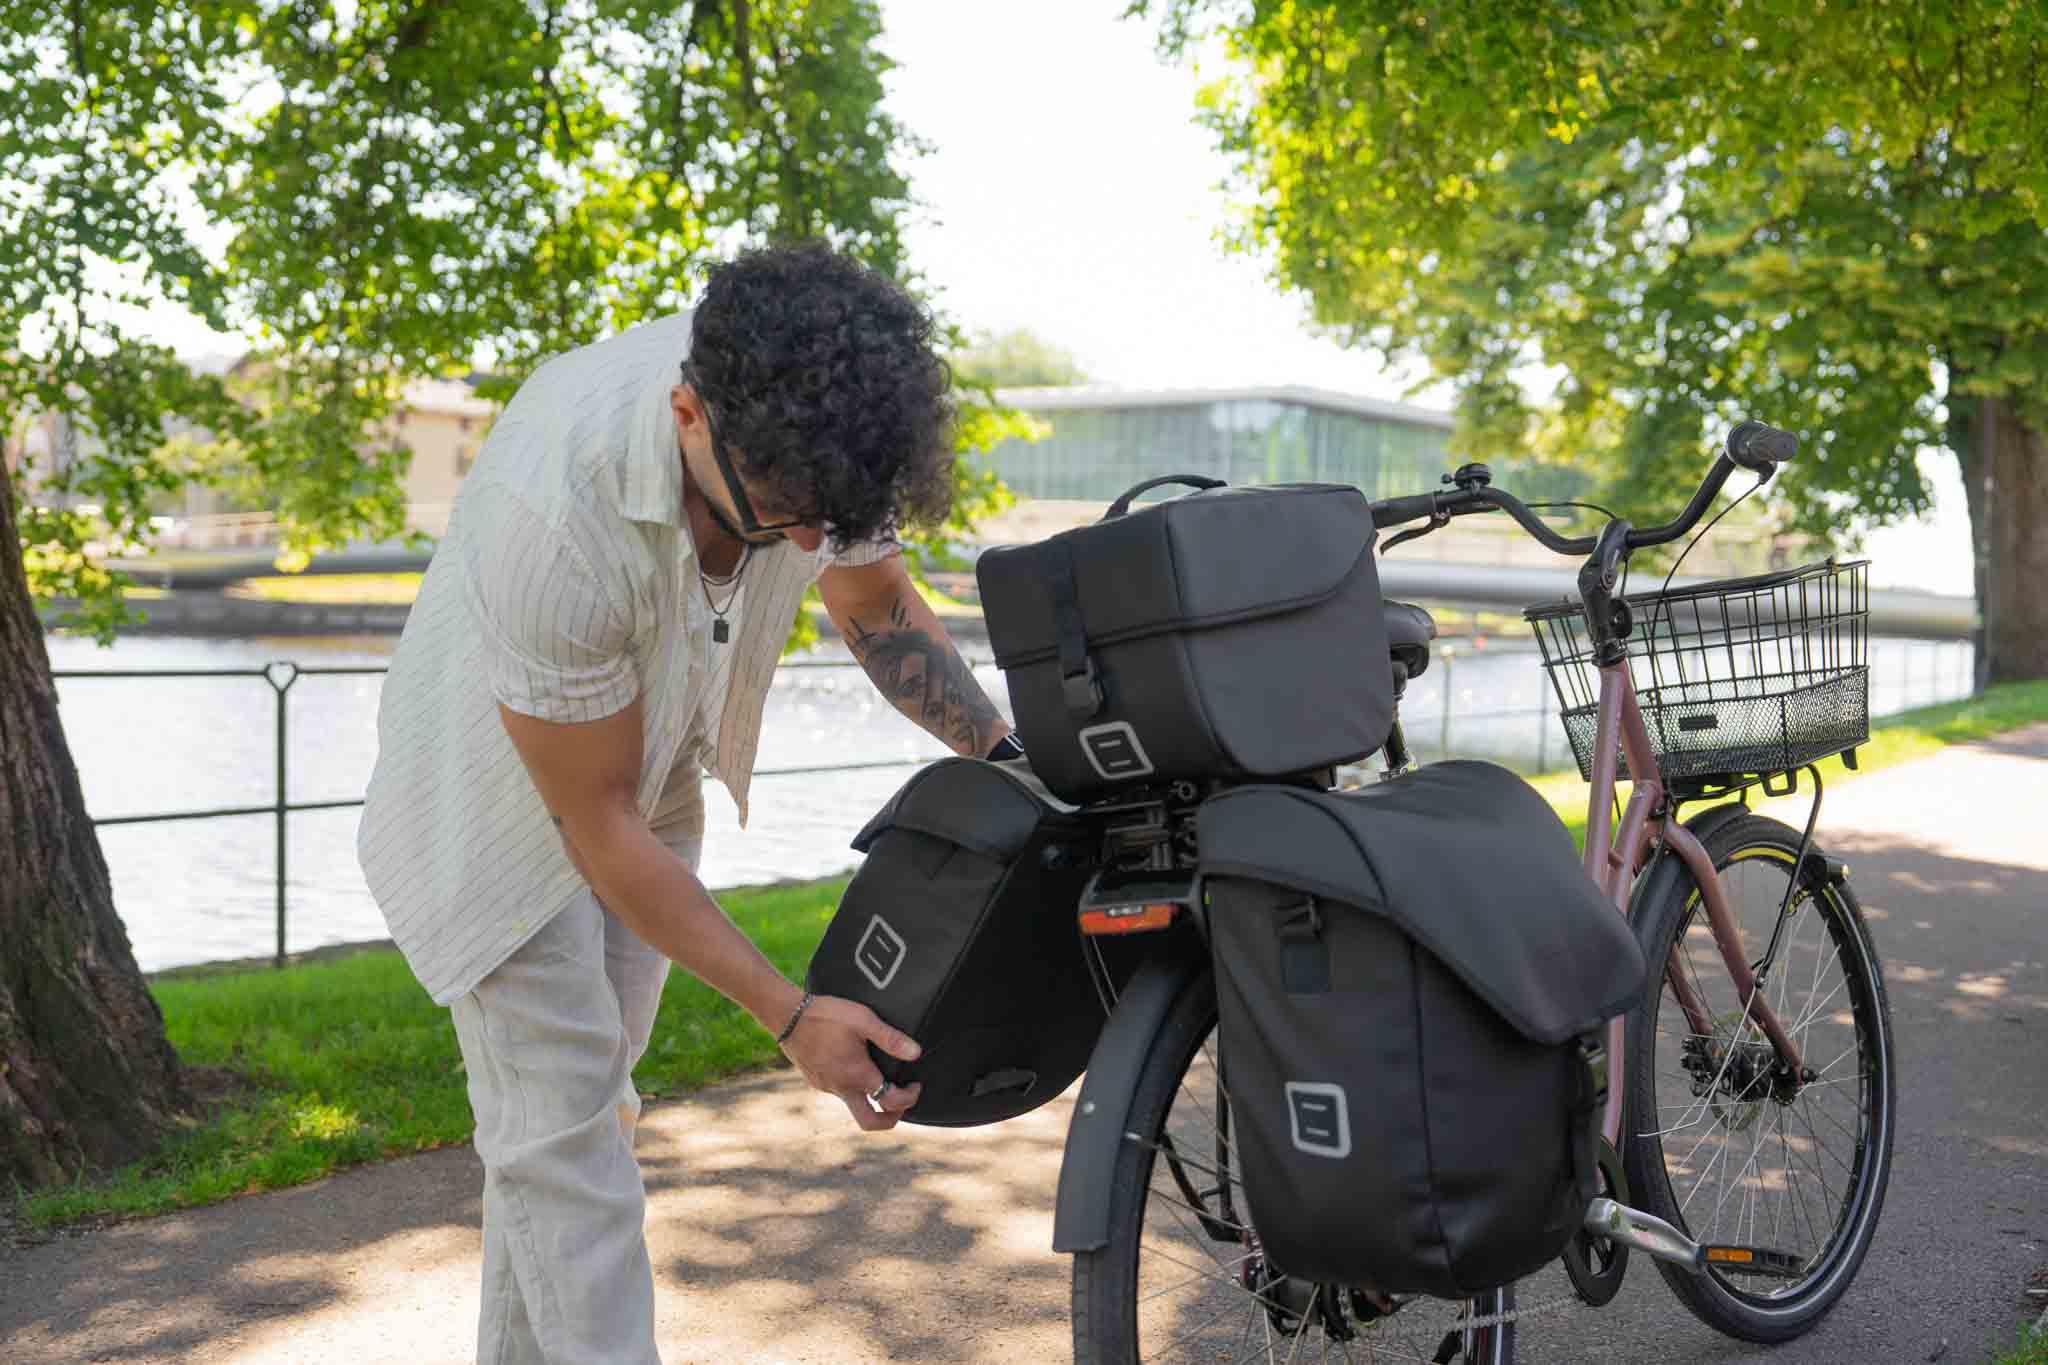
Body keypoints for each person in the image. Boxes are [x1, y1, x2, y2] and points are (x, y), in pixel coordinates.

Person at [356, 241, 1019, 1363]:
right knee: (567, 1149)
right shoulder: (553, 509)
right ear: (686, 415)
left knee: (574, 1130)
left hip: (647, 763)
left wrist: (1007, 758)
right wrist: (790, 1015)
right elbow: (592, 821)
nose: (809, 539)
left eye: (831, 514)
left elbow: (874, 606)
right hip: (495, 806)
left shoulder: (817, 430)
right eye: (784, 512)